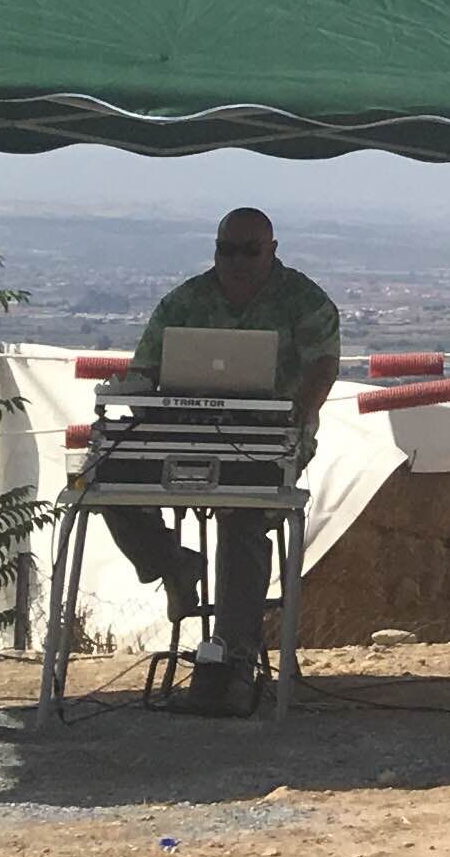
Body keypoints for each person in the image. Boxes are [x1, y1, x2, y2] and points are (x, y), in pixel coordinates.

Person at [104, 208, 341, 715]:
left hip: (270, 441)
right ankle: (172, 563)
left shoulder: (304, 300)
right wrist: (155, 410)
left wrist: (294, 418)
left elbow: (323, 366)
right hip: (185, 437)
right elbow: (144, 368)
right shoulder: (186, 299)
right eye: (225, 249)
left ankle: (232, 663)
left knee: (244, 517)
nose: (235, 261)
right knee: (109, 480)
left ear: (272, 250)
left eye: (248, 250)